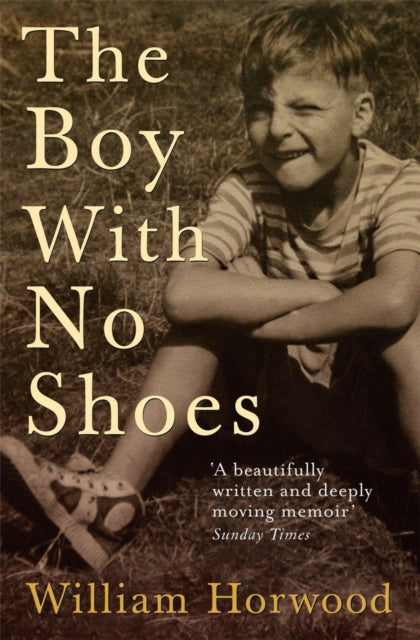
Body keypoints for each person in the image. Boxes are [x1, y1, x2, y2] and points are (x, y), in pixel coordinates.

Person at [1, 2, 419, 573]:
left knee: (407, 329)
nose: (277, 129)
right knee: (217, 295)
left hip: (376, 420)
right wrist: (318, 295)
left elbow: (394, 299)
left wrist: (284, 318)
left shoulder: (400, 182)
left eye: (304, 107)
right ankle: (115, 500)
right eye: (260, 109)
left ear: (361, 114)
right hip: (282, 408)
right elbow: (183, 294)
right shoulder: (248, 185)